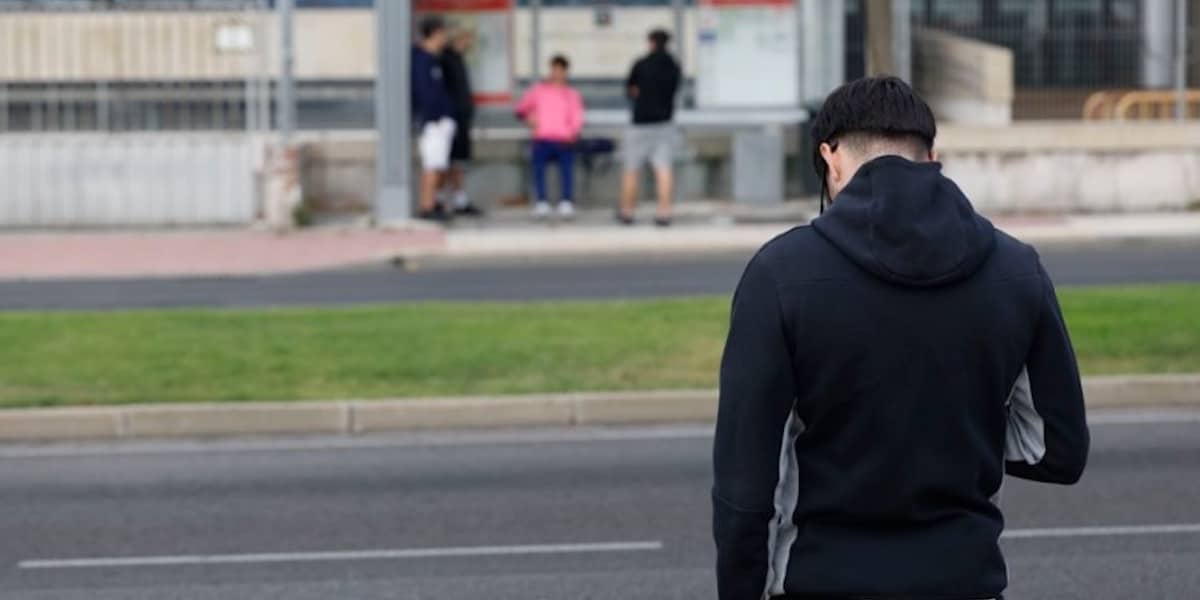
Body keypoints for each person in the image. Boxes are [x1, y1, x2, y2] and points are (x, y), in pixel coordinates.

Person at [712, 77, 1089, 600]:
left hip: (822, 580)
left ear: (830, 157)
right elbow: (1057, 450)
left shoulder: (780, 273)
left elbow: (746, 489)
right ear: (931, 156)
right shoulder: (1017, 269)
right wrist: (947, 426)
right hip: (965, 583)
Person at [619, 28, 681, 227]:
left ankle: (627, 212)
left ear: (652, 42)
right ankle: (664, 213)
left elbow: (631, 89)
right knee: (663, 169)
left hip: (640, 123)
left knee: (632, 169)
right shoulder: (673, 66)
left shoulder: (641, 64)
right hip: (664, 123)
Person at [515, 55, 585, 220]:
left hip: (563, 139)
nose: (557, 73)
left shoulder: (571, 94)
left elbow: (577, 116)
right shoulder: (539, 91)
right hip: (543, 138)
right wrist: (529, 119)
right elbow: (520, 109)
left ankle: (566, 202)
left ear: (565, 72)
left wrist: (572, 132)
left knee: (567, 171)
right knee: (538, 170)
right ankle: (541, 202)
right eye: (554, 69)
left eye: (561, 70)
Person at [410, 16, 455, 222]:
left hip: (441, 121)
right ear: (435, 34)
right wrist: (434, 117)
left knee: (439, 166)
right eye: (443, 33)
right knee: (432, 165)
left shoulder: (434, 59)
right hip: (433, 122)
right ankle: (426, 207)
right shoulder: (421, 60)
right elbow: (424, 93)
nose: (445, 38)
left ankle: (434, 203)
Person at [440, 28, 484, 217]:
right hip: (452, 119)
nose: (470, 43)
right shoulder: (445, 59)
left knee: (457, 162)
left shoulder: (457, 58)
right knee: (446, 162)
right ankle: (441, 199)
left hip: (461, 118)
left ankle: (459, 199)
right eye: (467, 39)